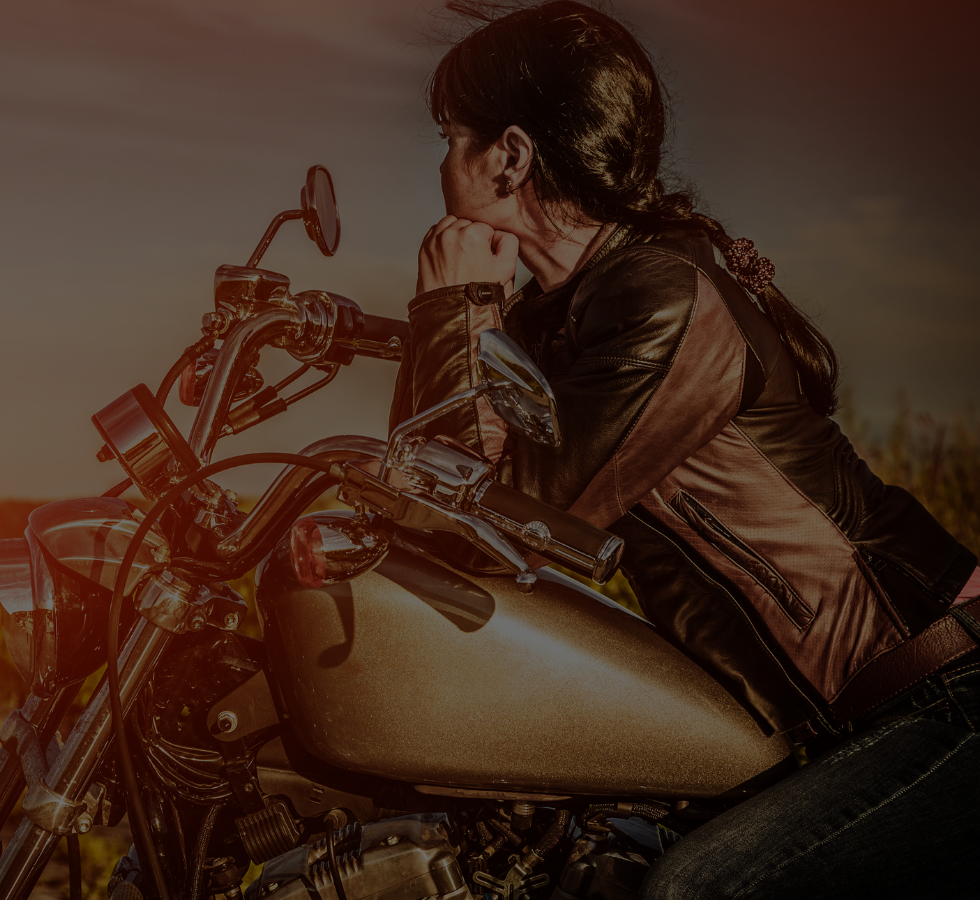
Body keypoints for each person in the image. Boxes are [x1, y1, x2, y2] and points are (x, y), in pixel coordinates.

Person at [395, 3, 980, 897]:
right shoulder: (562, 318)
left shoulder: (663, 293)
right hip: (858, 721)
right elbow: (429, 493)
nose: (439, 163)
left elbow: (510, 521)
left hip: (940, 694)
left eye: (450, 136)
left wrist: (451, 310)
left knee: (698, 889)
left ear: (510, 155)